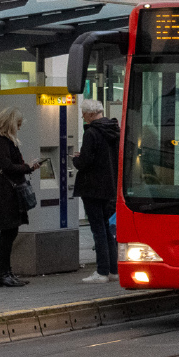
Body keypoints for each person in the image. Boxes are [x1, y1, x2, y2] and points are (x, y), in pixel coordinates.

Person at [0, 107, 40, 288]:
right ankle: (3, 274)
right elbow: (7, 165)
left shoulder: (3, 141)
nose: (19, 128)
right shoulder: (0, 141)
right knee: (8, 232)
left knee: (11, 231)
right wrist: (28, 168)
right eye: (17, 124)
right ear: (10, 123)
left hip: (9, 191)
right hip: (6, 192)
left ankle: (7, 272)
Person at [72, 99, 121, 283]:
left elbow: (85, 162)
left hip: (92, 187)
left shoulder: (92, 132)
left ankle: (101, 271)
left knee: (98, 229)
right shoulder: (114, 129)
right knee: (108, 229)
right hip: (110, 187)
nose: (84, 118)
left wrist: (76, 160)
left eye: (84, 115)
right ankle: (113, 270)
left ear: (91, 114)